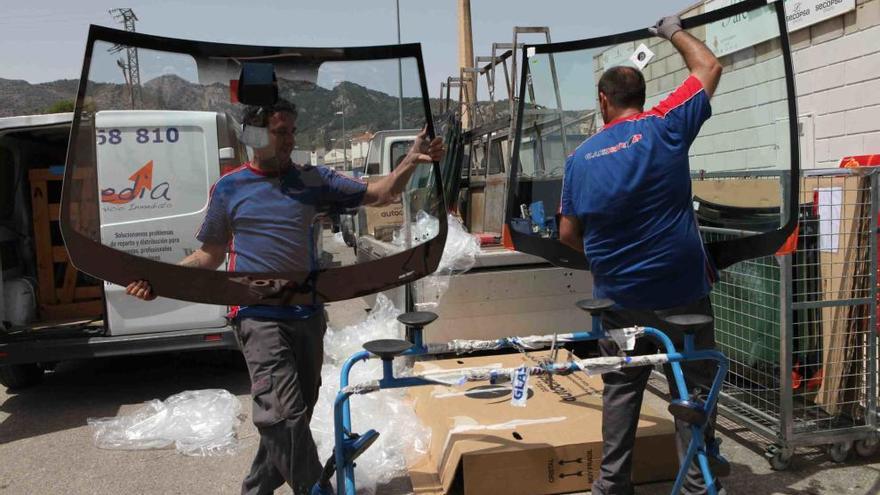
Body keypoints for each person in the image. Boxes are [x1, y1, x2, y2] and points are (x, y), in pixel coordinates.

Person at [126, 99, 443, 495]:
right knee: (283, 417)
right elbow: (210, 254)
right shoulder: (230, 187)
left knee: (295, 417)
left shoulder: (312, 181)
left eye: (292, 131)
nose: (290, 140)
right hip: (257, 314)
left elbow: (379, 194)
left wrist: (410, 161)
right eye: (280, 132)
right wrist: (159, 280)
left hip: (306, 313)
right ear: (255, 137)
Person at [558, 15, 724, 495]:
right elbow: (709, 65)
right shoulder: (665, 125)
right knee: (690, 389)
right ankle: (697, 484)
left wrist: (607, 255)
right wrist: (671, 30)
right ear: (643, 98)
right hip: (681, 292)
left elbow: (569, 233)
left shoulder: (580, 159)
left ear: (603, 101)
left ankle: (613, 485)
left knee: (622, 388)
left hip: (619, 298)